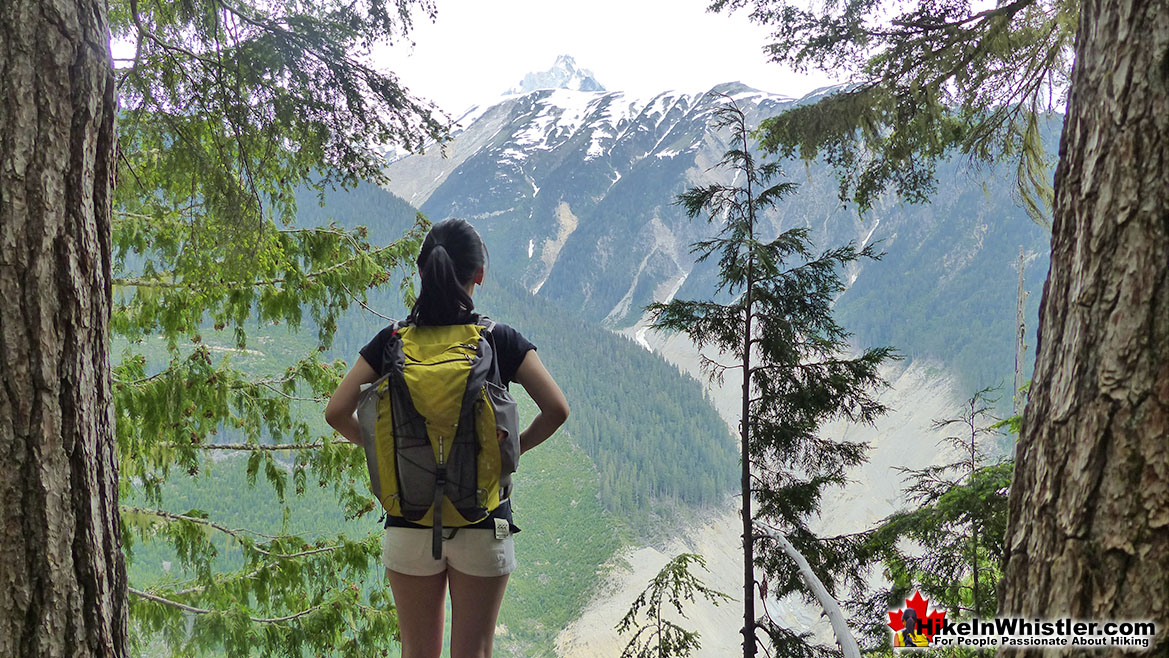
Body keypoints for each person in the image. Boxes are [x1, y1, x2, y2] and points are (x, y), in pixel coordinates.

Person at [324, 218, 569, 658]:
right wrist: (512, 449)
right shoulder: (499, 340)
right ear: (479, 274)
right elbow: (557, 409)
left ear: (421, 272)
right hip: (482, 524)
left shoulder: (392, 341)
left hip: (408, 524)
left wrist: (389, 452)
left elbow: (336, 412)